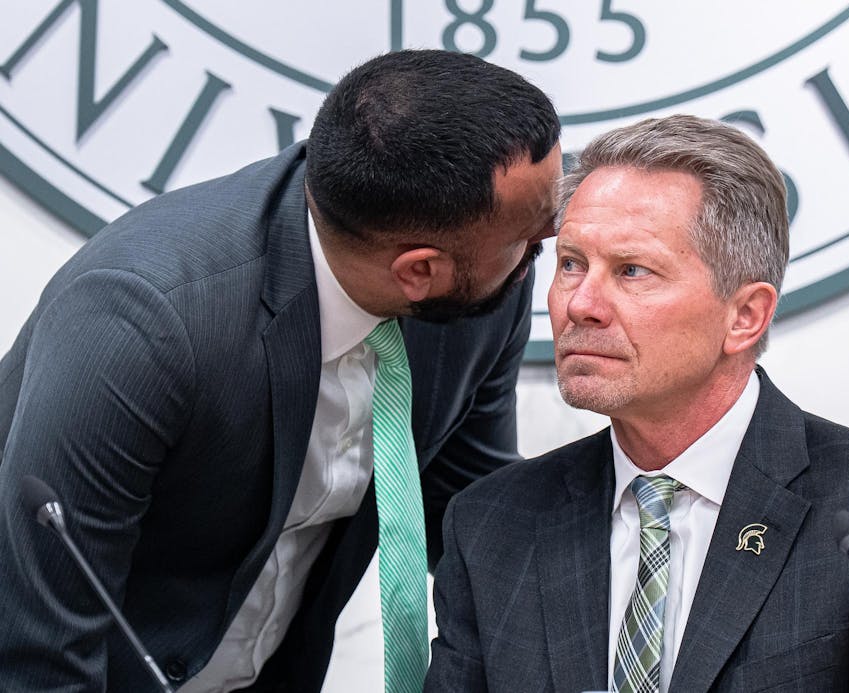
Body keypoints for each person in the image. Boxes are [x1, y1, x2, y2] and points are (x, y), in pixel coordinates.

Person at [0, 50, 562, 692]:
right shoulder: (143, 323)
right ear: (418, 271)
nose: (545, 250)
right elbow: (37, 657)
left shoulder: (482, 293)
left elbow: (471, 515)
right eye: (532, 236)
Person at [425, 115, 849, 692]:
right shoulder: (493, 524)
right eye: (572, 264)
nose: (581, 304)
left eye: (632, 271)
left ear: (745, 316)